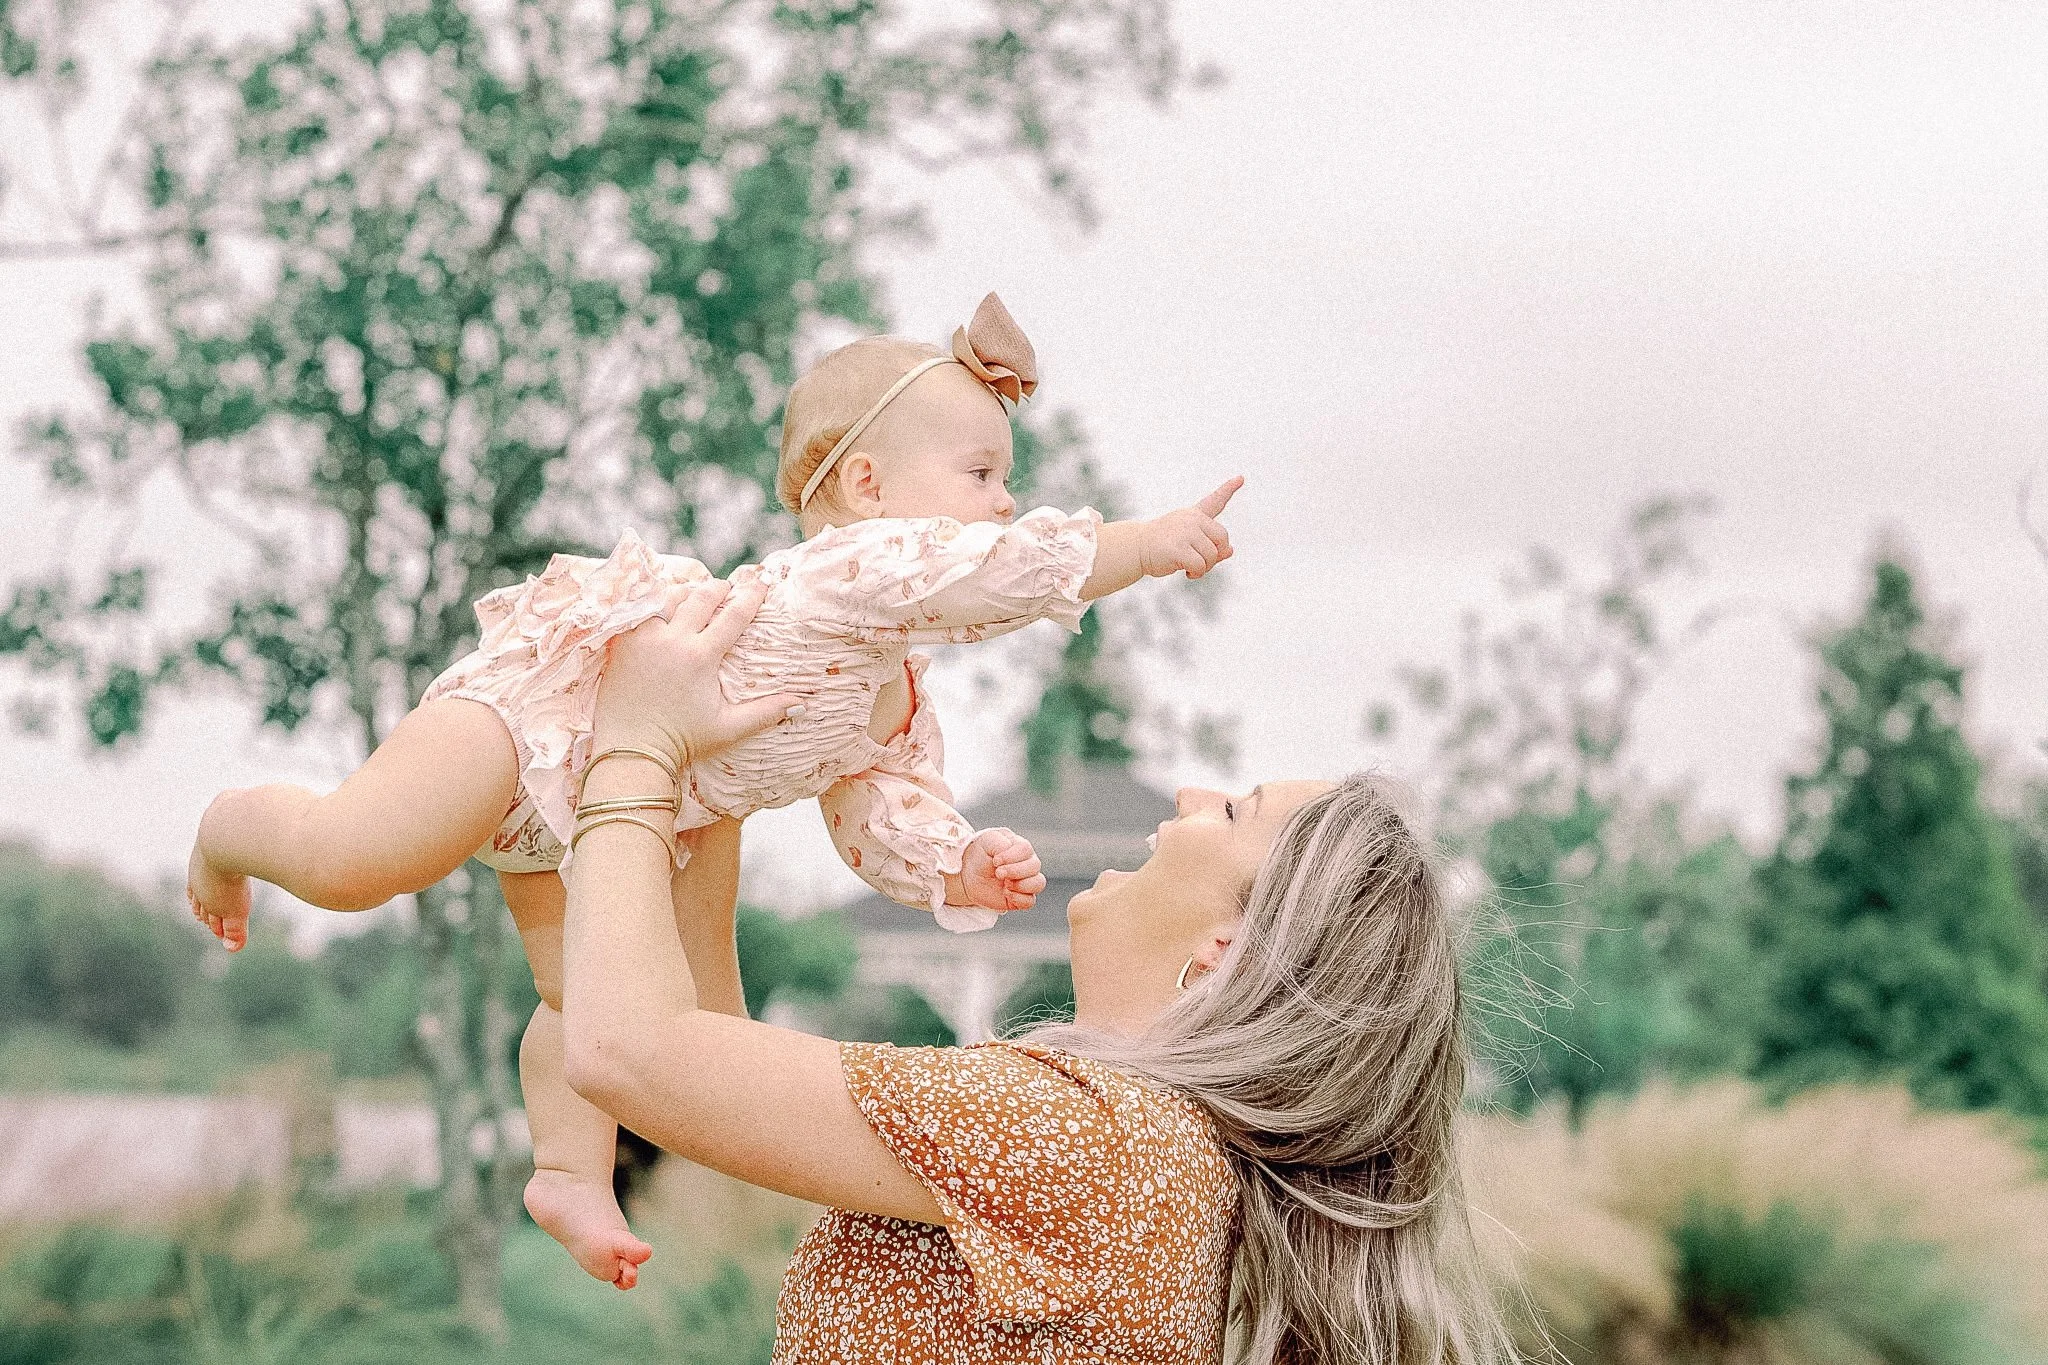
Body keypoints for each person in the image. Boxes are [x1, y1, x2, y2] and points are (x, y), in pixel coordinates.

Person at [181, 291, 1242, 1287]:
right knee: (357, 861)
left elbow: (877, 812)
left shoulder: (890, 691)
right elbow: (988, 575)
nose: (1004, 504)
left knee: (583, 999)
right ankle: (238, 829)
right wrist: (1136, 547)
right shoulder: (843, 576)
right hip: (538, 724)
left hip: (610, 821)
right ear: (866, 489)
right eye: (979, 477)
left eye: (1003, 484)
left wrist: (950, 864)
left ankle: (565, 1175)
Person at [562, 579, 1519, 1363]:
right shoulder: (1148, 1159)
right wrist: (713, 788)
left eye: (1230, 811)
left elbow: (625, 1052)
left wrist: (637, 745)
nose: (1187, 793)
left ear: (1226, 952)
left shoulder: (1091, 1139)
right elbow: (712, 1076)